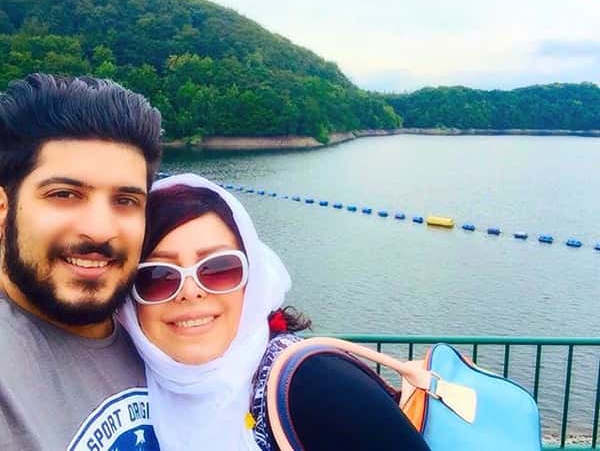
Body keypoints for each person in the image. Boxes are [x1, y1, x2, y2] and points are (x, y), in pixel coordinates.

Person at [119, 173, 430, 450]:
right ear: (128, 300)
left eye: (219, 268)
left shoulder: (318, 387)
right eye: (156, 276)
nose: (190, 291)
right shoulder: (129, 392)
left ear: (253, 281)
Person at [0, 73, 162, 450]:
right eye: (64, 194)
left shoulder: (163, 325)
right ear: (4, 209)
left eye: (125, 201)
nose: (99, 231)